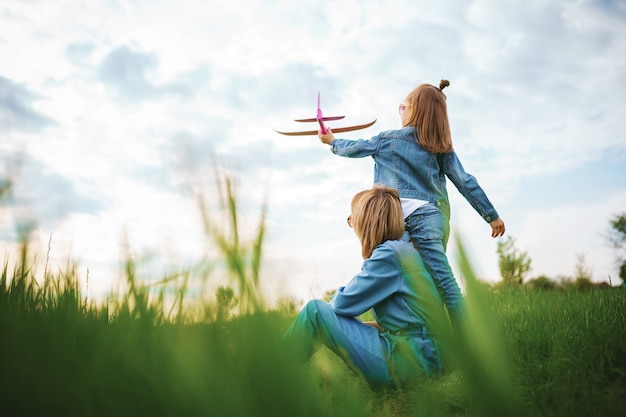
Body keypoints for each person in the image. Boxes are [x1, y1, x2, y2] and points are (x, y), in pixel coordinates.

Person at [318, 80, 505, 324]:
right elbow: (465, 181)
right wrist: (491, 215)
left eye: (403, 107)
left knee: (400, 272)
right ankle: (431, 337)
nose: (400, 110)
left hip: (402, 222)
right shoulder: (440, 147)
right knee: (436, 282)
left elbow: (356, 148)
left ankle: (465, 350)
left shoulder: (387, 139)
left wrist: (332, 141)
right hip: (435, 220)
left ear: (415, 110)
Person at [281, 186, 450, 389]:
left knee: (314, 311)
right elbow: (412, 322)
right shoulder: (408, 251)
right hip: (429, 356)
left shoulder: (389, 255)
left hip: (411, 362)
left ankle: (269, 376)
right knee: (331, 318)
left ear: (365, 222)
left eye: (352, 220)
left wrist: (335, 317)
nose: (352, 226)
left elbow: (342, 304)